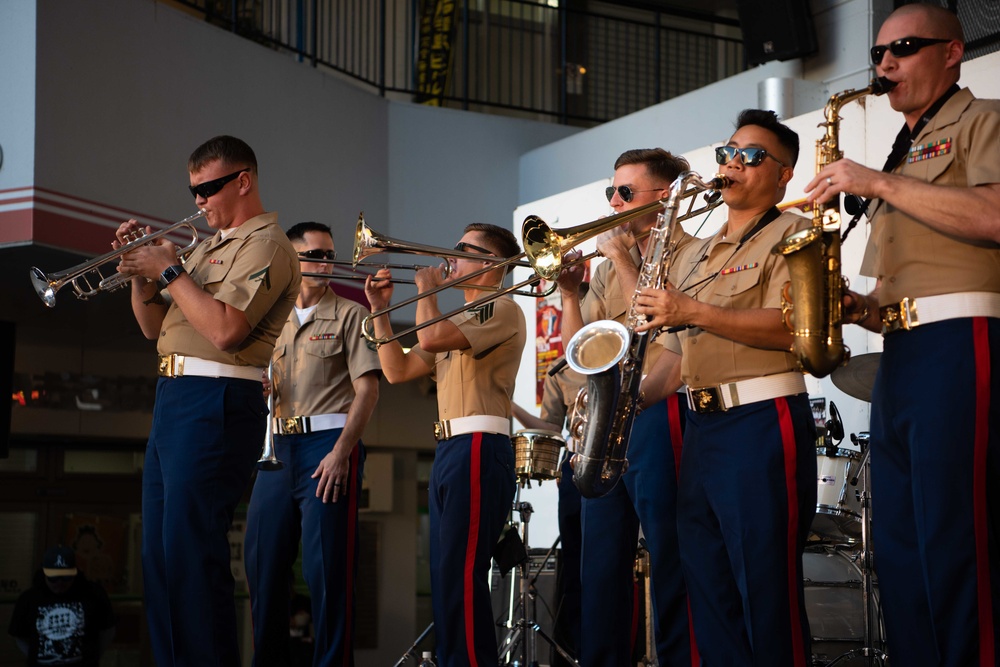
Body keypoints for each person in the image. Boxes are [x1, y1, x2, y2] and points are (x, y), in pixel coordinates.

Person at [807, 4, 1000, 664]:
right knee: (897, 541)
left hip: (961, 341)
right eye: (881, 51)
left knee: (956, 534)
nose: (885, 63)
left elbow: (995, 215)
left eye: (905, 47)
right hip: (904, 349)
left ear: (952, 52)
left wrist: (870, 179)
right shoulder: (907, 144)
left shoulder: (983, 120)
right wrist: (861, 306)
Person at [634, 110, 817, 666]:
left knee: (766, 592)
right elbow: (672, 360)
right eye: (728, 153)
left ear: (785, 173)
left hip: (763, 421)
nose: (734, 163)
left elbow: (795, 326)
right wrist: (616, 401)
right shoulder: (691, 254)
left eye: (753, 155)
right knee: (707, 589)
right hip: (702, 427)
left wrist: (691, 309)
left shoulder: (796, 233)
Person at [114, 135, 301, 666]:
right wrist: (138, 274)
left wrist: (170, 270)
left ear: (244, 181)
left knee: (193, 554)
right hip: (175, 394)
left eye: (209, 188)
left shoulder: (265, 244)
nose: (199, 201)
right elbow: (154, 328)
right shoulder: (205, 246)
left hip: (217, 396)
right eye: (194, 190)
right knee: (162, 556)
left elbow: (226, 331)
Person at [555, 148, 697, 667]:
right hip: (609, 421)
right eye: (610, 191)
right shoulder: (604, 275)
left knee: (671, 556)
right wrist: (570, 295)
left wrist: (620, 257)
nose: (612, 203)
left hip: (662, 415)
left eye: (625, 193)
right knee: (601, 567)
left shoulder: (692, 252)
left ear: (664, 199)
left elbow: (661, 327)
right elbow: (581, 356)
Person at [364, 223, 525, 667]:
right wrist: (380, 309)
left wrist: (426, 291)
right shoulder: (456, 318)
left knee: (462, 575)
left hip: (478, 444)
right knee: (446, 575)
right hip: (450, 449)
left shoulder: (502, 308)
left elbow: (430, 339)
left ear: (492, 264)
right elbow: (396, 371)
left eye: (461, 250)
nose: (448, 255)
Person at [245, 221, 381, 666]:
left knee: (328, 573)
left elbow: (368, 390)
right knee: (262, 568)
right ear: (293, 258)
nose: (327, 262)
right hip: (277, 448)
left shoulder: (352, 314)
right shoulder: (271, 317)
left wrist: (343, 452)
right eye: (317, 255)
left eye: (330, 254)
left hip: (329, 445)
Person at [511, 356, 586, 665]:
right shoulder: (560, 368)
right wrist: (511, 406)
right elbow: (552, 428)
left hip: (618, 455)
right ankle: (571, 652)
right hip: (574, 463)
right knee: (574, 567)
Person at [8, 545, 116, 667]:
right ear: (44, 574)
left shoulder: (93, 594)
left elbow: (107, 630)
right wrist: (35, 656)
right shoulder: (29, 599)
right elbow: (20, 635)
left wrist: (91, 657)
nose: (60, 583)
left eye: (66, 578)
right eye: (53, 578)